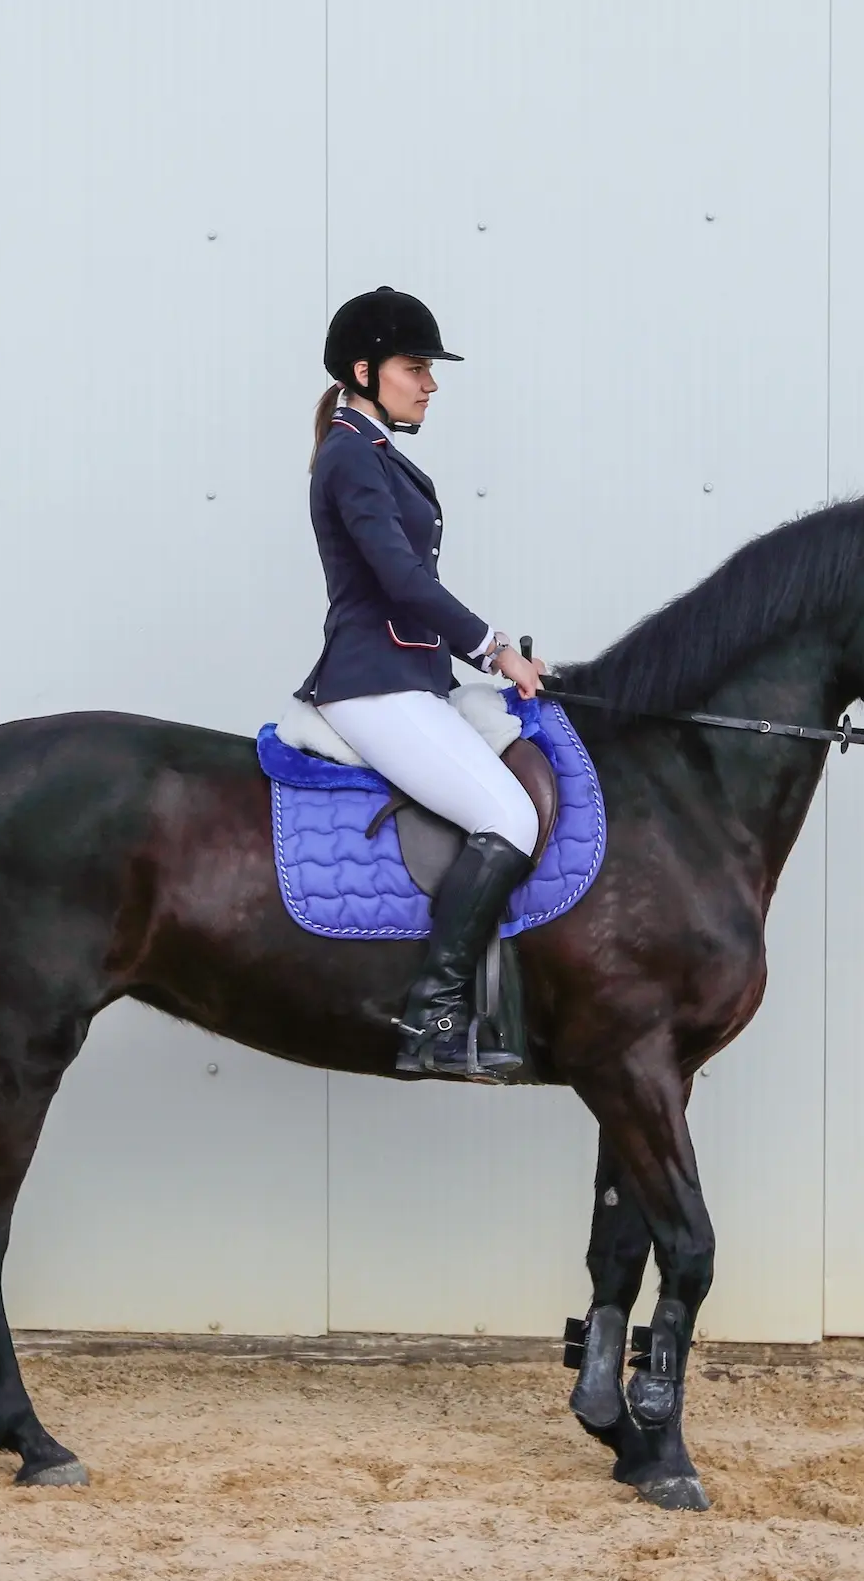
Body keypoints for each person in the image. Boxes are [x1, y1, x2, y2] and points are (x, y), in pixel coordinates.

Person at [298, 287, 547, 1079]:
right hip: (374, 685)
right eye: (415, 368)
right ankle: (430, 1019)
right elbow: (402, 582)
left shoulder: (374, 455)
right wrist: (494, 648)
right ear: (365, 371)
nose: (429, 384)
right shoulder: (349, 457)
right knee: (507, 816)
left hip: (413, 678)